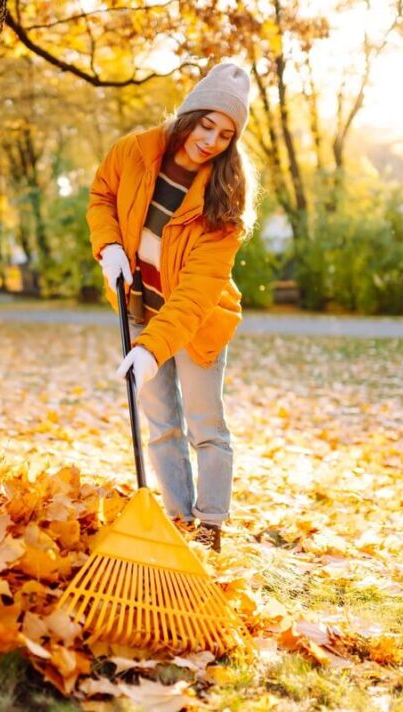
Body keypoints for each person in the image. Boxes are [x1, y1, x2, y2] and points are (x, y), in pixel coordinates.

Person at [87, 62, 255, 553]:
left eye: (226, 134)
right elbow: (103, 196)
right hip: (139, 307)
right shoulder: (133, 152)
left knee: (207, 428)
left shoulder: (224, 197)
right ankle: (180, 522)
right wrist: (110, 247)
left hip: (195, 323)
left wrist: (152, 348)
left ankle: (211, 525)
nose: (212, 140)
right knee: (161, 426)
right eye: (207, 124)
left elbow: (197, 294)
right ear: (190, 114)